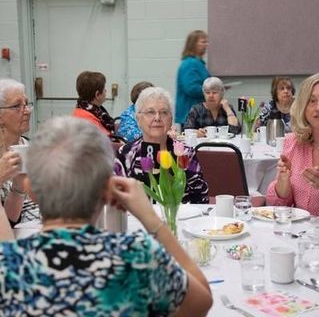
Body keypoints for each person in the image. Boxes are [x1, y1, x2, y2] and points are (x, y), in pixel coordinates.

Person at [0, 116, 213, 315]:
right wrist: (151, 218)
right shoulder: (137, 256)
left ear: (31, 191)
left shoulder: (7, 266)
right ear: (107, 187)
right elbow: (202, 303)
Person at [114, 86, 209, 204]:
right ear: (138, 119)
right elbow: (116, 199)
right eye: (150, 112)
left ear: (171, 119)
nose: (157, 118)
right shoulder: (126, 154)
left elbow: (201, 199)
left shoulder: (185, 153)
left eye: (164, 112)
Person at [266, 73, 319, 216]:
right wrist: (284, 180)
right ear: (303, 107)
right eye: (312, 101)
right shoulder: (293, 143)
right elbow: (279, 205)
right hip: (299, 234)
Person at [0, 78, 40, 226]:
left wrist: (18, 187)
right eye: (17, 106)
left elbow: (11, 219)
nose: (27, 111)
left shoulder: (30, 147)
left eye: (26, 104)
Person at [72, 71, 122, 141]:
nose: (105, 91)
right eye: (104, 89)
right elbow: (101, 145)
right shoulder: (87, 120)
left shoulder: (89, 111)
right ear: (97, 94)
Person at [175, 30, 211, 126]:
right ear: (193, 44)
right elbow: (191, 88)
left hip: (198, 113)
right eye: (203, 42)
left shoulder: (198, 63)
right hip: (191, 114)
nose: (206, 45)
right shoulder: (190, 64)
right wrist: (212, 90)